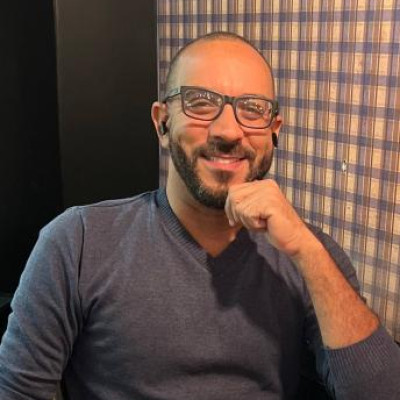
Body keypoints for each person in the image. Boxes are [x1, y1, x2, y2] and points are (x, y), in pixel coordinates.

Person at [0, 31, 399, 400]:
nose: (228, 131)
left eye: (252, 109)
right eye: (201, 103)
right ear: (162, 123)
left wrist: (307, 253)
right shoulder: (77, 242)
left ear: (274, 130)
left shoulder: (310, 254)